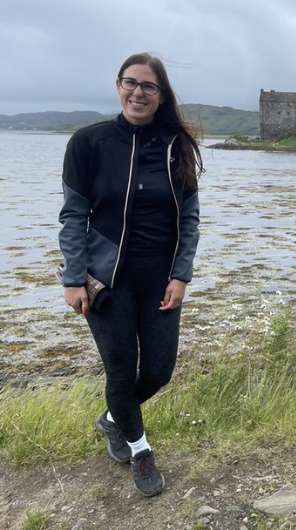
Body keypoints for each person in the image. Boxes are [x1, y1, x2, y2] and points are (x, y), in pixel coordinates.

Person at [59, 52, 202, 496]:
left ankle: (112, 418)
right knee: (121, 371)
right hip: (105, 281)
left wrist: (181, 276)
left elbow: (190, 218)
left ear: (161, 96)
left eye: (149, 86)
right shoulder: (88, 142)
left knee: (158, 371)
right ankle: (140, 450)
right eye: (131, 83)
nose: (138, 92)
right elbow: (73, 215)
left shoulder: (176, 146)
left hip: (159, 281)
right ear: (119, 86)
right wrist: (73, 278)